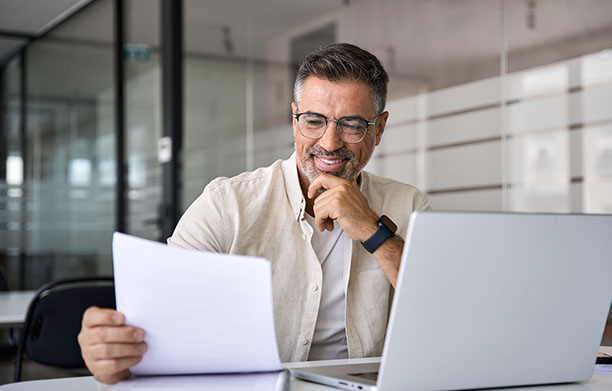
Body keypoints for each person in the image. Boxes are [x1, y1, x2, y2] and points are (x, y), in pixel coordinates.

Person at [78, 43, 429, 384]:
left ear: (379, 128)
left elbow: (445, 320)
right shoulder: (226, 205)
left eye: (352, 124)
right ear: (294, 120)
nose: (330, 142)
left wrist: (372, 229)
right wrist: (114, 355)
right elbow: (159, 328)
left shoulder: (409, 206)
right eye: (313, 120)